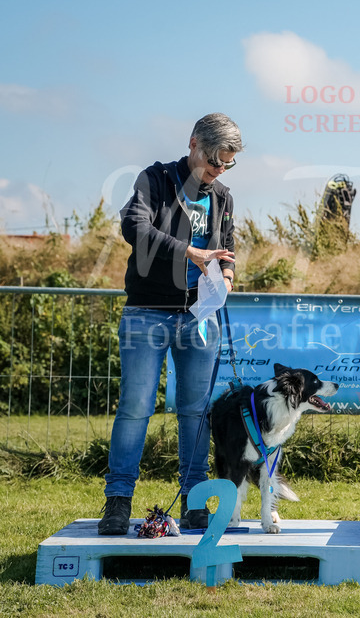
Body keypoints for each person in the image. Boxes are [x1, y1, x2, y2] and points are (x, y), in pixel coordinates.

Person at [98, 113, 243, 535]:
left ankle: (194, 502)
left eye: (228, 164)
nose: (219, 170)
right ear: (194, 143)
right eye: (215, 160)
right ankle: (118, 501)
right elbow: (134, 227)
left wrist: (227, 277)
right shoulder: (155, 179)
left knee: (195, 412)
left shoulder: (223, 196)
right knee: (136, 407)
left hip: (200, 316)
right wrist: (188, 252)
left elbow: (227, 246)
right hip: (147, 312)